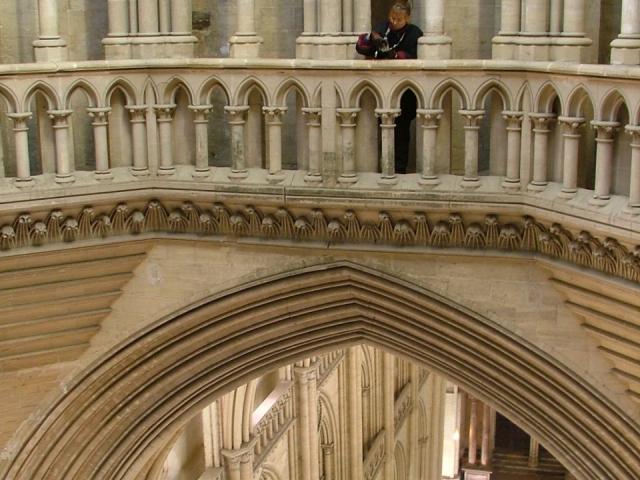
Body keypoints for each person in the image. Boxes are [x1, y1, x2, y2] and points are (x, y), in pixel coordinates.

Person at [356, 2, 423, 174]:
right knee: (381, 129)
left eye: (399, 19)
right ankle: (383, 168)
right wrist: (372, 38)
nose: (394, 22)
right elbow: (362, 47)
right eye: (392, 18)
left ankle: (399, 169)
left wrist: (392, 55)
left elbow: (413, 56)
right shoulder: (383, 28)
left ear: (407, 18)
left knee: (401, 131)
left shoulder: (414, 33)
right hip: (381, 89)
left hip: (404, 92)